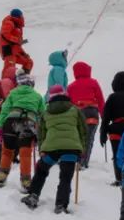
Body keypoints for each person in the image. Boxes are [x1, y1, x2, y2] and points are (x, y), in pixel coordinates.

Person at [20, 84, 86, 213]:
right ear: (65, 95)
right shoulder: (75, 110)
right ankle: (60, 205)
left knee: (41, 170)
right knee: (65, 178)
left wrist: (41, 149)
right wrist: (82, 149)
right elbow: (83, 130)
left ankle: (33, 195)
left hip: (51, 149)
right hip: (71, 149)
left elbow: (41, 134)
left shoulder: (46, 112)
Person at [0, 72, 44, 189]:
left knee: (7, 151)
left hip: (11, 122)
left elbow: (4, 109)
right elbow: (42, 114)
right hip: (27, 123)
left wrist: (0, 124)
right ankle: (26, 181)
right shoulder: (38, 96)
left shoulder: (12, 93)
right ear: (31, 84)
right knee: (25, 153)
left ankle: (2, 175)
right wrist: (39, 127)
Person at [67, 61, 105, 168]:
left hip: (77, 114)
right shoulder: (94, 83)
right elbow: (101, 100)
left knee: (78, 138)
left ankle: (77, 159)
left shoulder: (70, 87)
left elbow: (68, 104)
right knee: (89, 138)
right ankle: (83, 162)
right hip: (91, 113)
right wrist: (104, 116)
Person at [0, 66, 17, 167]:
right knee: (8, 133)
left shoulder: (2, 81)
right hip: (3, 108)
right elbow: (9, 96)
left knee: (0, 133)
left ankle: (0, 160)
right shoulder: (7, 82)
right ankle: (2, 160)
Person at [0, 8, 33, 73]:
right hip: (8, 51)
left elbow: (17, 44)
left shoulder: (17, 26)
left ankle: (23, 79)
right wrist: (17, 40)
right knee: (10, 68)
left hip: (15, 51)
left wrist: (24, 54)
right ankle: (6, 82)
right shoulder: (9, 23)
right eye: (21, 16)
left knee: (29, 62)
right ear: (19, 16)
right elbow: (5, 34)